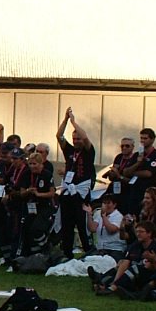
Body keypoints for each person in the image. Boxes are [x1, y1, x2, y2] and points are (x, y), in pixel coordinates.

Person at [55, 108, 95, 255]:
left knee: (81, 222)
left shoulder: (89, 151)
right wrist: (65, 120)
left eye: (78, 139)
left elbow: (85, 138)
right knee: (67, 223)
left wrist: (73, 122)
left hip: (81, 192)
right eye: (74, 139)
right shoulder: (70, 151)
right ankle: (67, 251)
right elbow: (59, 136)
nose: (76, 141)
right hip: (68, 190)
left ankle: (88, 250)